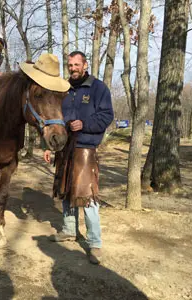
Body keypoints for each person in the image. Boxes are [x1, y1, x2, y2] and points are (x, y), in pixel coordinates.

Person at [43, 51, 114, 265]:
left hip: (86, 148)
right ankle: (68, 230)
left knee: (87, 196)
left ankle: (94, 242)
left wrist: (85, 124)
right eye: (70, 65)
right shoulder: (63, 89)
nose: (72, 68)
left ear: (84, 65)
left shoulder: (98, 88)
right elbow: (53, 119)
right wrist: (49, 147)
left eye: (76, 64)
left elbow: (106, 115)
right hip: (64, 147)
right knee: (65, 191)